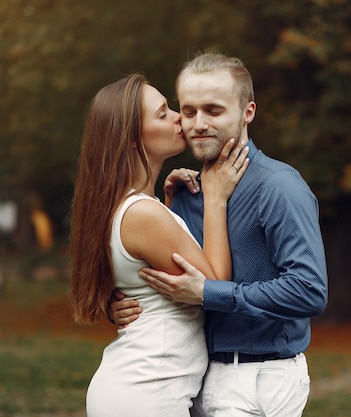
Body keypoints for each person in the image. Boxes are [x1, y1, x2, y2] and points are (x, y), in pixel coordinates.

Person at [111, 53, 328, 417]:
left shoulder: (279, 187)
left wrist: (210, 293)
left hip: (260, 377)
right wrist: (116, 304)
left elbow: (309, 290)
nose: (197, 124)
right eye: (190, 111)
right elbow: (165, 279)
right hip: (193, 381)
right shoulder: (185, 192)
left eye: (213, 110)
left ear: (248, 112)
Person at [69, 73, 249, 417]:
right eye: (163, 113)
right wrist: (215, 199)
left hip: (137, 391)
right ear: (134, 140)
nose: (181, 118)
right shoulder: (142, 215)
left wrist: (169, 202)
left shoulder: (129, 205)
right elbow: (215, 286)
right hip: (147, 395)